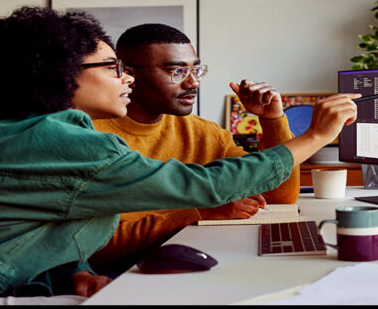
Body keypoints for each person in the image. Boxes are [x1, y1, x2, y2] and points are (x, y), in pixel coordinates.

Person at [0, 6, 359, 298]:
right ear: (61, 74)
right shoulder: (61, 142)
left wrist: (74, 276)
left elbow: (40, 234)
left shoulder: (32, 133)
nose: (127, 79)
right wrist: (316, 135)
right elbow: (206, 186)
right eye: (112, 67)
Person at [91, 24, 300, 270]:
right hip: (119, 277)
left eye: (196, 70)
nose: (194, 83)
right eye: (177, 71)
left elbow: (279, 196)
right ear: (128, 74)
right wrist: (201, 211)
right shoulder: (90, 136)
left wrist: (272, 121)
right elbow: (96, 246)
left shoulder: (204, 132)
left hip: (194, 260)